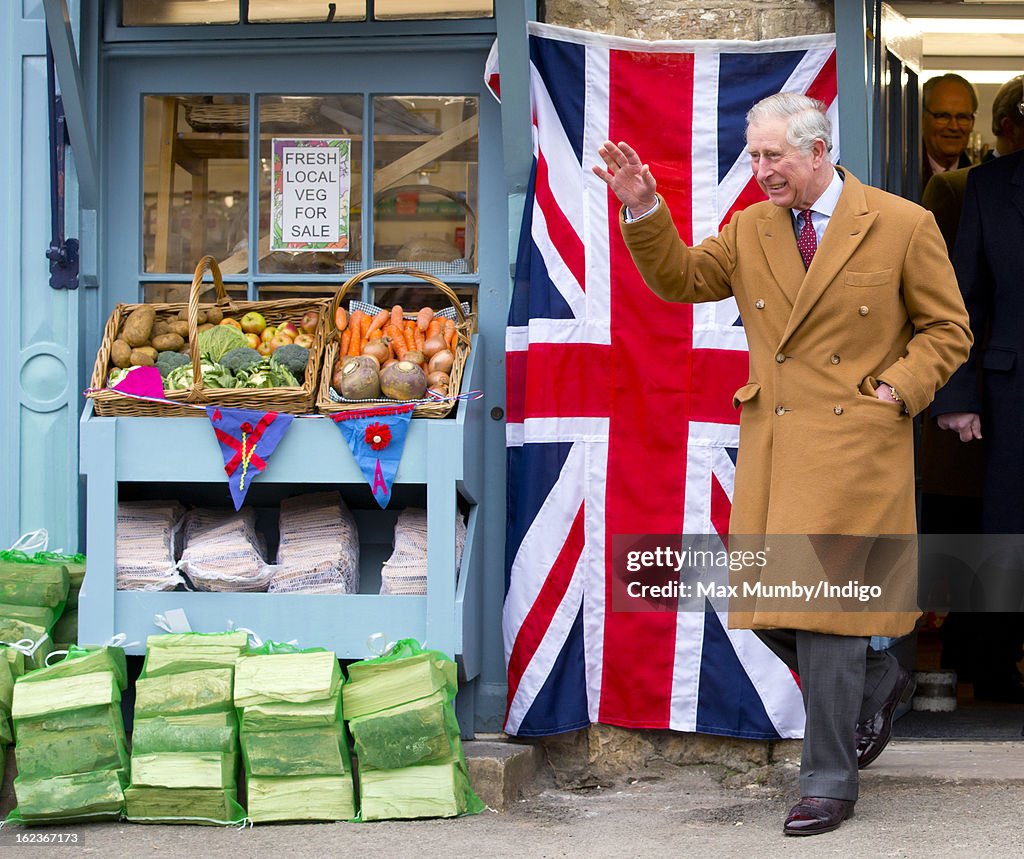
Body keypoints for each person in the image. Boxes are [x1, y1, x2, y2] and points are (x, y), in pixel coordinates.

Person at [593, 93, 971, 837]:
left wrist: (896, 391)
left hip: (857, 444)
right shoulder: (751, 227)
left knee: (825, 612)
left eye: (774, 157)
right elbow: (682, 279)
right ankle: (878, 674)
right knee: (764, 601)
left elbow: (947, 327)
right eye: (754, 156)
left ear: (819, 150)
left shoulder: (900, 223)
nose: (761, 170)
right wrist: (643, 208)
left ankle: (829, 780)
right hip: (777, 440)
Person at [919, 75, 1024, 699]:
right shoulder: (985, 188)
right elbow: (963, 302)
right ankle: (990, 666)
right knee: (1004, 532)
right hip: (1012, 394)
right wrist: (956, 397)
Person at [921, 73, 978, 190]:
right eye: (943, 116)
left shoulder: (981, 181)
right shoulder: (898, 175)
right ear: (922, 118)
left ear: (972, 123)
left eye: (962, 117)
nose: (954, 127)